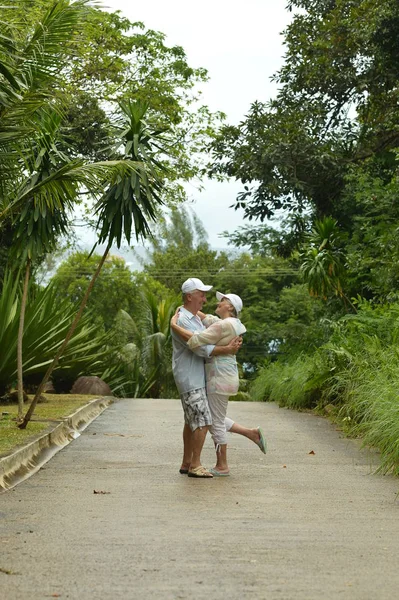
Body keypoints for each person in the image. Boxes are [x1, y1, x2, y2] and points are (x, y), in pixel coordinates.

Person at [171, 278, 266, 478]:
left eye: (220, 300)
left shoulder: (214, 323)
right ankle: (195, 463)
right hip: (201, 376)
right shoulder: (222, 322)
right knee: (205, 419)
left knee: (207, 420)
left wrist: (175, 325)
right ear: (190, 296)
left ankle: (209, 464)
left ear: (229, 306)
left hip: (213, 377)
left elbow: (197, 342)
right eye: (202, 294)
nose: (208, 299)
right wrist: (228, 349)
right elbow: (205, 335)